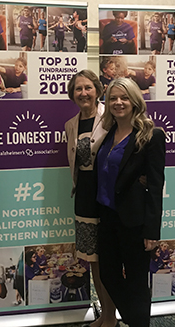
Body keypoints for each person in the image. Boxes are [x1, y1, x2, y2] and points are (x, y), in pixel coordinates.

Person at [96, 77, 165, 327]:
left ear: (135, 101)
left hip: (134, 221)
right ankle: (136, 320)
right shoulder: (108, 133)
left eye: (124, 97)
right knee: (109, 275)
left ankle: (139, 323)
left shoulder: (151, 135)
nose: (118, 102)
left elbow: (156, 186)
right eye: (113, 98)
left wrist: (152, 230)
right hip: (107, 217)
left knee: (136, 282)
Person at [65, 70, 118, 327]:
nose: (83, 93)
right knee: (94, 262)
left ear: (98, 90)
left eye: (88, 87)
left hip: (108, 198)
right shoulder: (70, 125)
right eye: (78, 89)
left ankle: (112, 316)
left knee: (110, 259)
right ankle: (106, 316)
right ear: (72, 94)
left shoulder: (111, 117)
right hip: (85, 198)